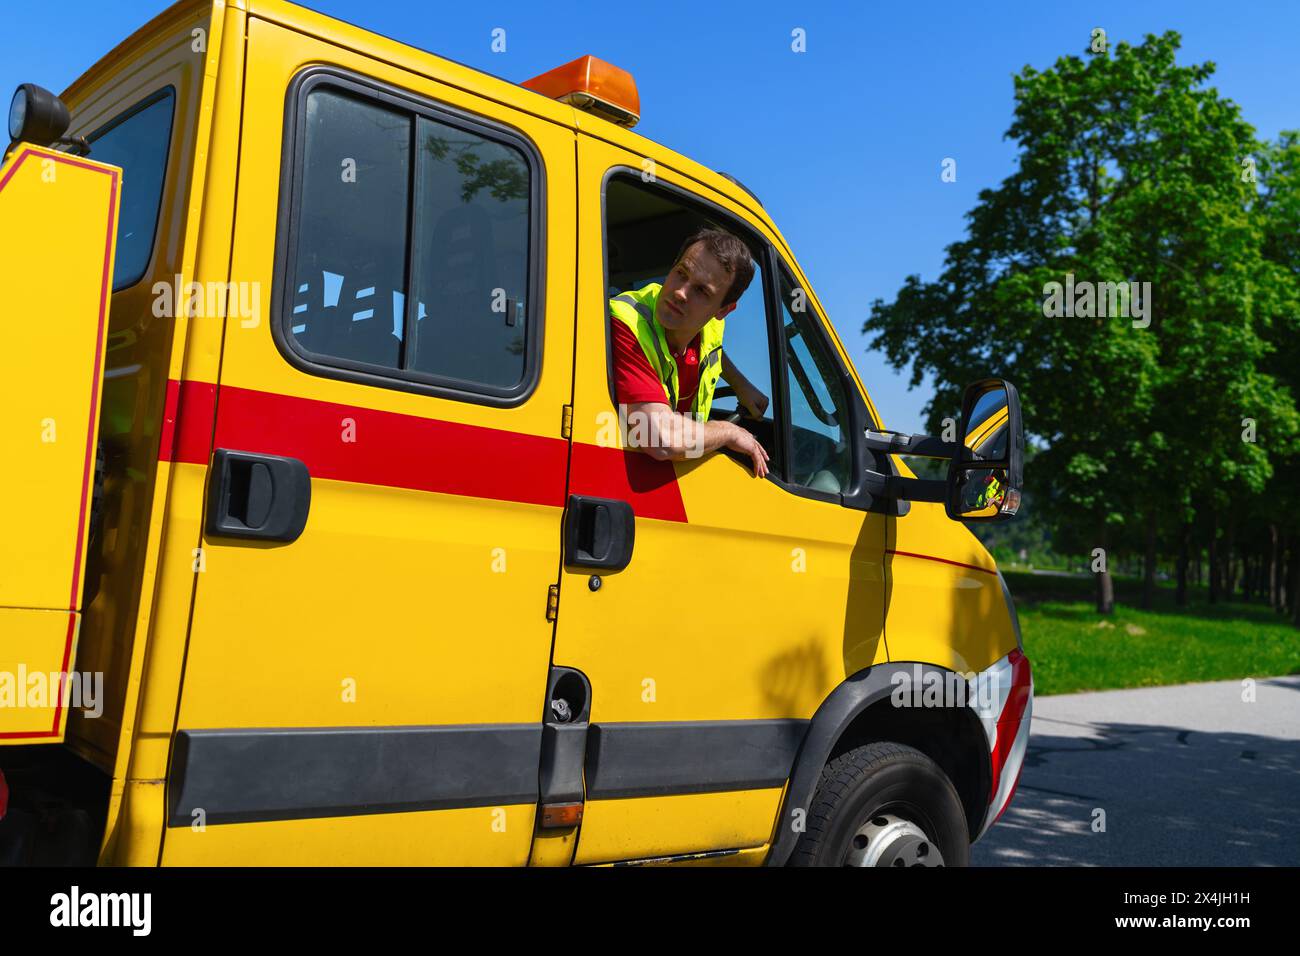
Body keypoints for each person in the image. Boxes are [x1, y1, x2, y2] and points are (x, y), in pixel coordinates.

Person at [609, 227, 771, 477]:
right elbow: (660, 439)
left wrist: (740, 384)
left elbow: (711, 345)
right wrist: (729, 432)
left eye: (701, 291)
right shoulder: (626, 322)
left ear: (724, 310)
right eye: (681, 274)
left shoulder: (710, 326)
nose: (680, 292)